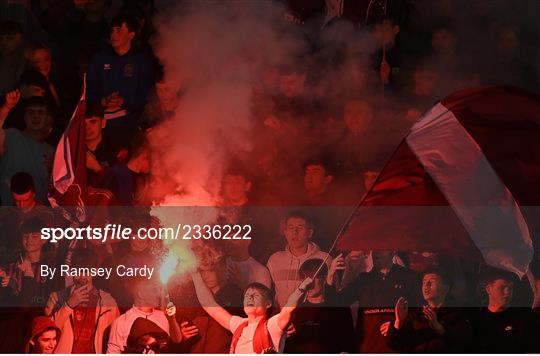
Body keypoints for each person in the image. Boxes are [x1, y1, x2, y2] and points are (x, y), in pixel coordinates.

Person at [191, 269, 313, 353]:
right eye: (247, 296)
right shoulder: (239, 324)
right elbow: (208, 304)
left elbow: (288, 309)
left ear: (268, 304)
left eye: (256, 295)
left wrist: (300, 289)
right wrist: (195, 273)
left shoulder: (272, 326)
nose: (250, 298)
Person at [329, 250, 421, 352]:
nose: (376, 253)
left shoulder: (410, 277)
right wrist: (330, 275)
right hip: (368, 348)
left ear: (393, 250)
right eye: (374, 250)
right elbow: (337, 302)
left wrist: (398, 322)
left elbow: (419, 313)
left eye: (381, 249)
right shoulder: (363, 280)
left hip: (398, 348)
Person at [44, 248, 120, 353]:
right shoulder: (57, 297)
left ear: (95, 271)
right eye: (77, 271)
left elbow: (116, 340)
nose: (81, 276)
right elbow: (46, 333)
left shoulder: (108, 302)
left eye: (86, 272)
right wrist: (69, 305)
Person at [87, 13, 155, 128]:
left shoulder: (141, 62)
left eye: (119, 30)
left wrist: (123, 101)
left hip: (128, 125)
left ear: (131, 34)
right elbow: (88, 93)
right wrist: (103, 101)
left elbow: (146, 98)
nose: (113, 35)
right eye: (112, 31)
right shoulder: (99, 59)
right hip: (99, 124)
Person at [385, 268, 473, 352]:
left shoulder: (457, 314)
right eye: (424, 282)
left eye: (432, 281)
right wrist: (398, 322)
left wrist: (440, 328)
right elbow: (395, 345)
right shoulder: (415, 314)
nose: (426, 285)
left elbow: (465, 344)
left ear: (446, 289)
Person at [284, 258, 355, 353]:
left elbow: (349, 341)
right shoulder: (296, 311)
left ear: (324, 279)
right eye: (304, 278)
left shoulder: (339, 309)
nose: (308, 284)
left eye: (312, 278)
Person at [266, 211, 331, 307]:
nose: (294, 232)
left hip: (312, 316)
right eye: (291, 228)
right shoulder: (274, 260)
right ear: (285, 232)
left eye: (300, 228)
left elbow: (332, 291)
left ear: (309, 232)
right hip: (281, 318)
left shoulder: (324, 259)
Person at [0, 92, 54, 205]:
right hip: (10, 214)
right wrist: (7, 107)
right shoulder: (11, 136)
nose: (35, 116)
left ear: (48, 119)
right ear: (25, 117)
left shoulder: (52, 151)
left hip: (40, 216)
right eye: (31, 112)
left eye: (40, 112)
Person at [107, 277, 180, 353]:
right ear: (141, 294)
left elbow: (177, 341)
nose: (159, 294)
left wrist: (172, 319)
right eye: (154, 291)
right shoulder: (121, 322)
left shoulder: (163, 316)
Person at [470, 268, 536, 353]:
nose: (507, 292)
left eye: (510, 288)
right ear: (489, 289)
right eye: (502, 288)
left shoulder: (521, 318)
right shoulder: (477, 320)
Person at [0, 20, 26, 96]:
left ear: (20, 39)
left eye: (9, 38)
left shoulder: (25, 62)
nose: (4, 43)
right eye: (0, 39)